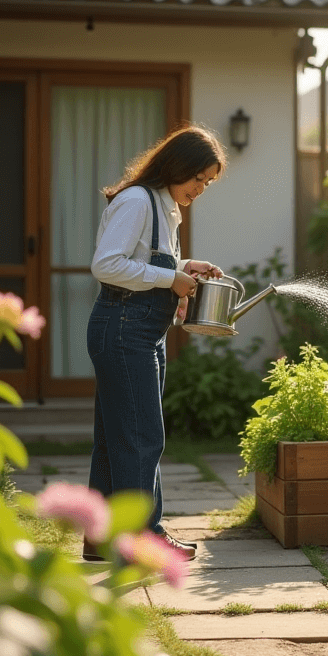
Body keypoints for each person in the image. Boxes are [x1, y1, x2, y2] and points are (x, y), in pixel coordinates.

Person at [83, 125, 227, 562]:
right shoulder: (137, 201)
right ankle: (143, 537)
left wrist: (185, 265)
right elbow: (107, 265)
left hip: (141, 330)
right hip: (126, 328)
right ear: (177, 166)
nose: (200, 189)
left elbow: (140, 260)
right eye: (197, 178)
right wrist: (172, 277)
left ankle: (101, 538)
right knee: (142, 436)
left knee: (115, 436)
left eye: (208, 183)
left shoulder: (165, 207)